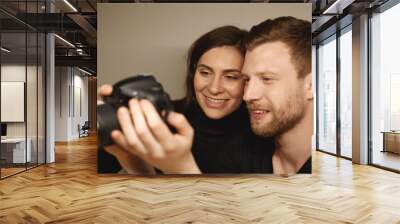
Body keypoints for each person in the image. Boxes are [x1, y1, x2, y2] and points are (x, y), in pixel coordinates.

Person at [98, 25, 275, 174]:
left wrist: (180, 168)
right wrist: (120, 148)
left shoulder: (264, 136)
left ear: (248, 80)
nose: (214, 88)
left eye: (231, 77)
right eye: (205, 73)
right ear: (193, 73)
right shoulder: (159, 116)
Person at [241, 16, 313, 174]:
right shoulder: (240, 157)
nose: (247, 95)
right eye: (246, 80)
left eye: (266, 79)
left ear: (311, 85)